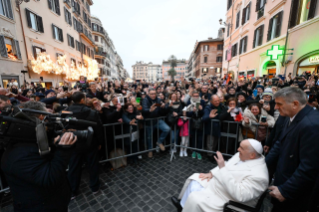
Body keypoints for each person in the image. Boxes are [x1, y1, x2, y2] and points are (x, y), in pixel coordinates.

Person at [1, 101, 77, 212]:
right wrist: (63, 150)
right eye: (47, 118)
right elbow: (49, 177)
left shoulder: (28, 141)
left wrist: (55, 144)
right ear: (40, 118)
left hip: (51, 202)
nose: (48, 122)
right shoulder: (20, 154)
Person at [171, 139, 268, 212]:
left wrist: (222, 168)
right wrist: (211, 173)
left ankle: (187, 207)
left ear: (252, 155)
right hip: (221, 184)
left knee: (195, 198)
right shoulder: (244, 155)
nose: (238, 149)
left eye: (241, 148)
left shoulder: (260, 176)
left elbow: (240, 195)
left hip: (228, 199)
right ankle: (183, 205)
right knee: (195, 178)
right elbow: (227, 164)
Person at [266, 87, 319, 212]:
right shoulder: (289, 116)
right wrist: (263, 164)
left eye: (279, 104)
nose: (276, 107)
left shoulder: (312, 124)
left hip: (296, 192)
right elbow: (280, 142)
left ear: (295, 104)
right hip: (284, 180)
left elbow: (309, 166)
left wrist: (285, 190)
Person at [66, 92, 103, 200]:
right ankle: (95, 187)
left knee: (73, 168)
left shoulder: (66, 111)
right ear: (82, 100)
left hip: (74, 143)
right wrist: (100, 142)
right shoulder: (91, 112)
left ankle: (73, 191)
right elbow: (99, 129)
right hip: (90, 143)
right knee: (92, 166)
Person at [142, 88, 170, 158]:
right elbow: (144, 110)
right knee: (149, 137)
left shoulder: (158, 99)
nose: (153, 95)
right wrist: (149, 110)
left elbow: (163, 109)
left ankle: (159, 142)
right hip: (149, 122)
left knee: (167, 129)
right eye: (152, 94)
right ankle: (150, 151)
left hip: (157, 120)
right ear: (148, 94)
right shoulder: (145, 100)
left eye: (154, 93)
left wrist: (163, 107)